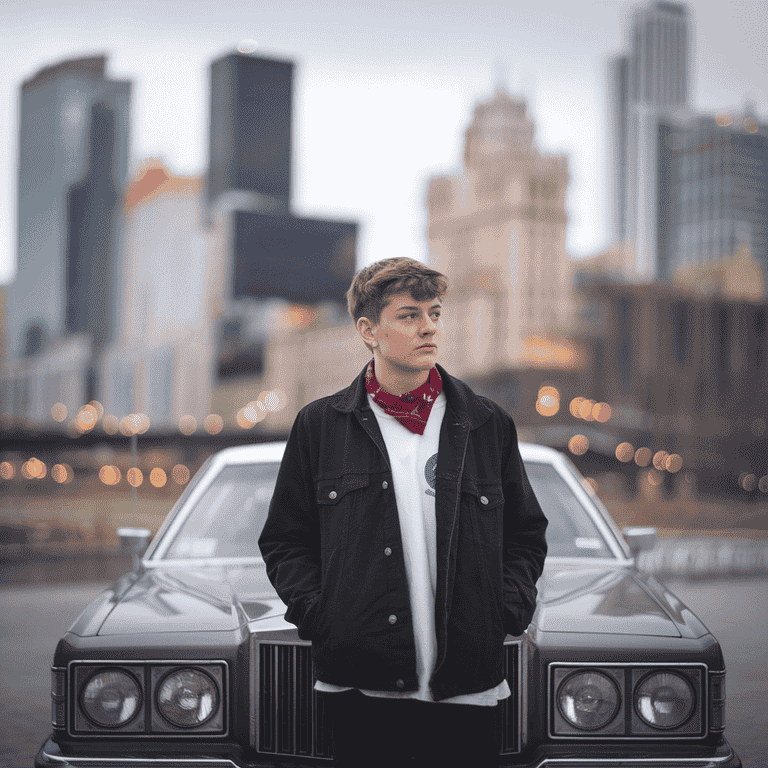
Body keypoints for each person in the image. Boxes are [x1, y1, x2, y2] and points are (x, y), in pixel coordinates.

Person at [258, 257, 548, 768]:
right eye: (410, 315)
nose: (429, 327)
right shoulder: (320, 427)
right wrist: (324, 619)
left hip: (468, 691)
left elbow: (525, 534)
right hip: (361, 692)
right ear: (368, 330)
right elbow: (285, 541)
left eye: (434, 313)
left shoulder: (486, 424)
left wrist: (504, 612)